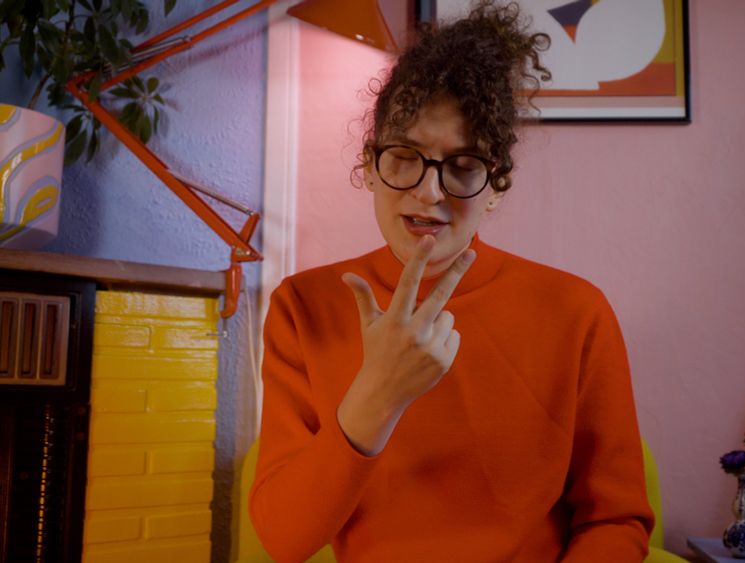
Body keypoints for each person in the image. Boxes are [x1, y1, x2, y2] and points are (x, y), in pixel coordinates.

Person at [249, 2, 654, 560]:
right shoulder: (303, 306)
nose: (430, 192)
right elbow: (283, 539)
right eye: (404, 157)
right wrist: (379, 394)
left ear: (497, 187)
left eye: (463, 166)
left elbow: (616, 520)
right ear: (370, 166)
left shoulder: (576, 311)